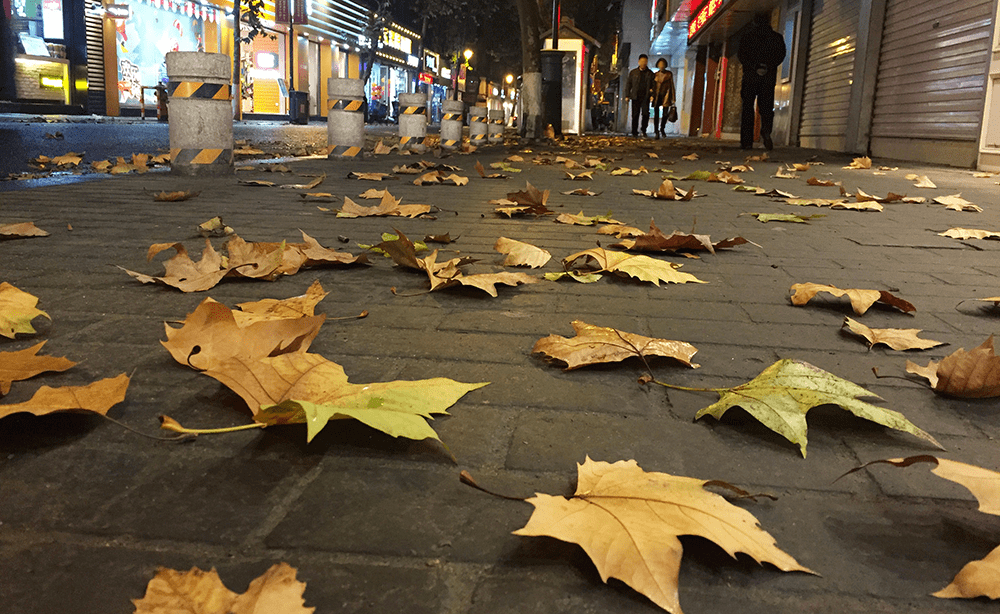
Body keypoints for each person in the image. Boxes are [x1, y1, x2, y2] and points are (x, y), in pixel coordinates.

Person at [737, 13, 786, 150]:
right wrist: (767, 66)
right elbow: (780, 55)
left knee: (748, 108)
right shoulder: (776, 38)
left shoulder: (747, 37)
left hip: (750, 76)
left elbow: (742, 55)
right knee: (766, 109)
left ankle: (746, 141)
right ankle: (766, 132)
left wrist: (754, 67)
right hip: (768, 77)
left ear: (754, 22)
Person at [625, 54, 655, 137]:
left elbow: (653, 85)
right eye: (642, 61)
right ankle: (634, 131)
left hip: (645, 97)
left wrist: (652, 94)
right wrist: (627, 95)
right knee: (635, 115)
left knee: (645, 114)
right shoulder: (633, 73)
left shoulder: (650, 73)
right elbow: (628, 84)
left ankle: (643, 130)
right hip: (635, 96)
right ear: (638, 62)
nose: (643, 63)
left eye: (645, 61)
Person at [651, 58, 675, 139]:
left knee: (665, 114)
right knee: (656, 115)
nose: (661, 66)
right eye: (660, 64)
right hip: (657, 96)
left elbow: (672, 85)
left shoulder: (669, 74)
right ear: (657, 65)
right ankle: (656, 131)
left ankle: (662, 129)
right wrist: (652, 95)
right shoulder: (655, 75)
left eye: (663, 64)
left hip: (666, 95)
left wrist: (673, 97)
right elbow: (653, 86)